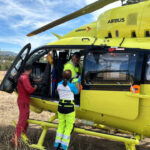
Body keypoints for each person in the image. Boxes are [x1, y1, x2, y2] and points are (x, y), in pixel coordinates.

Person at [11, 64, 37, 148]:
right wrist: (35, 87)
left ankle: (21, 136)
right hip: (24, 102)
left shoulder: (22, 76)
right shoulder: (25, 78)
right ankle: (15, 139)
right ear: (31, 70)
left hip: (22, 100)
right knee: (22, 120)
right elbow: (29, 90)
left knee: (25, 120)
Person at [54, 70, 80, 150]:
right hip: (69, 108)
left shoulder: (59, 85)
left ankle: (56, 145)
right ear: (70, 77)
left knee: (61, 125)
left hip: (61, 107)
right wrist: (78, 83)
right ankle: (64, 146)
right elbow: (77, 92)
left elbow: (58, 92)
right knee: (68, 127)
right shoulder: (71, 86)